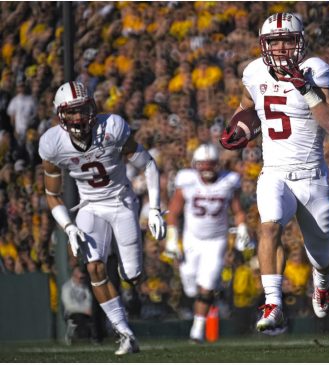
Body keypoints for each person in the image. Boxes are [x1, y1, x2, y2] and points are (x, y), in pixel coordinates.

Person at [221, 12, 329, 333]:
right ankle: (273, 302)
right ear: (264, 45)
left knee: (320, 252)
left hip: (312, 176)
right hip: (273, 171)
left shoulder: (315, 69)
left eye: (287, 40)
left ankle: (322, 281)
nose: (280, 48)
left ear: (299, 42)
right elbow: (248, 104)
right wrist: (240, 127)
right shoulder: (253, 71)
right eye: (274, 42)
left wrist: (306, 88)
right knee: (268, 227)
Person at [38, 81, 166, 355]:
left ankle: (126, 276)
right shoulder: (52, 144)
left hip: (121, 202)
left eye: (82, 109)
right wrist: (69, 227)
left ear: (92, 107)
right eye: (71, 111)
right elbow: (52, 194)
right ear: (60, 114)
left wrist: (154, 208)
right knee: (94, 268)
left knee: (132, 275)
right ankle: (124, 332)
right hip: (89, 207)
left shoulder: (112, 128)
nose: (78, 117)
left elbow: (148, 165)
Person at [164, 143, 250, 343]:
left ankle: (197, 330)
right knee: (190, 288)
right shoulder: (187, 181)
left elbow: (237, 211)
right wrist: (171, 240)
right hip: (191, 240)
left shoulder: (228, 181)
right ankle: (199, 315)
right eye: (204, 164)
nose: (208, 169)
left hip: (216, 241)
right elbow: (173, 213)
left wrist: (243, 229)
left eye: (211, 164)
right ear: (196, 165)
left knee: (207, 285)